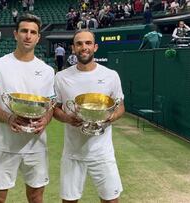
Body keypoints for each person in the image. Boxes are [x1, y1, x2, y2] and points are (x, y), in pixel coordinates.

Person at [0, 14, 55, 203]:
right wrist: (8, 118)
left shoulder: (47, 71)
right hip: (5, 144)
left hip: (36, 144)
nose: (28, 36)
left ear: (38, 37)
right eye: (24, 31)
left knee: (36, 196)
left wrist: (45, 119)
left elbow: (50, 106)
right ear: (15, 34)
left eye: (33, 32)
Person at [53, 29, 125, 203]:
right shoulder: (61, 77)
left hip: (103, 153)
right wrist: (68, 118)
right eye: (79, 44)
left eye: (87, 43)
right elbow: (55, 109)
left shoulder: (111, 75)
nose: (83, 47)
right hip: (73, 153)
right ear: (73, 48)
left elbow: (120, 106)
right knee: (69, 201)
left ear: (95, 47)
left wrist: (109, 117)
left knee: (111, 200)